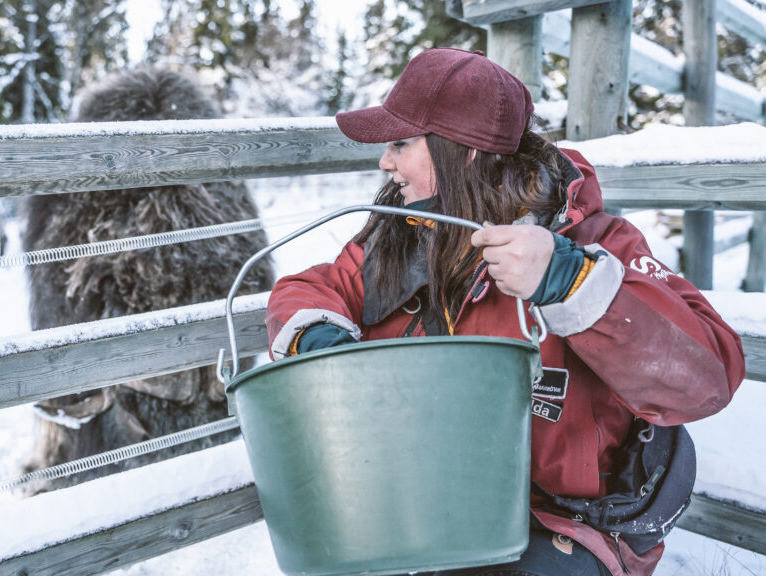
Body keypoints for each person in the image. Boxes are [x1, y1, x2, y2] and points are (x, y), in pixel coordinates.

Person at [265, 48, 746, 576]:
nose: (386, 161)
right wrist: (319, 340)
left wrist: (574, 283)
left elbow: (710, 375)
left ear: (463, 152)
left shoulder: (593, 241)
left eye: (401, 144)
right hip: (428, 502)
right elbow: (312, 287)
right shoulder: (403, 235)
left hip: (561, 523)